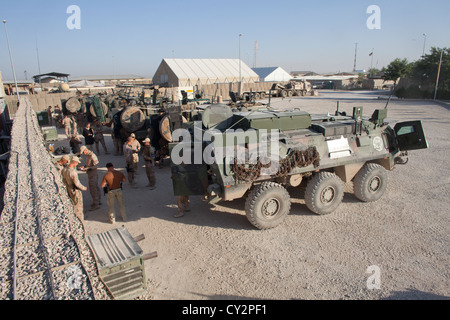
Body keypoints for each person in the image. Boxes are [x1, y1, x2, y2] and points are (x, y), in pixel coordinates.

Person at [61, 156, 88, 222]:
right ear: (75, 162)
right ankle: (80, 221)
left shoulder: (64, 169)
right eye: (77, 163)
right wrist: (84, 188)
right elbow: (77, 183)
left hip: (68, 188)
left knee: (73, 203)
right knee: (78, 206)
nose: (77, 164)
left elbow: (63, 180)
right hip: (75, 190)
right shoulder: (73, 172)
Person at [80, 146, 101, 211]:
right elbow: (89, 164)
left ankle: (96, 204)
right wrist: (85, 166)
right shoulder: (88, 156)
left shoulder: (92, 156)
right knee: (95, 187)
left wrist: (87, 168)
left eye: (83, 152)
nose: (83, 154)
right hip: (90, 173)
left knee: (93, 189)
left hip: (93, 174)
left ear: (86, 150)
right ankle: (98, 201)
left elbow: (96, 165)